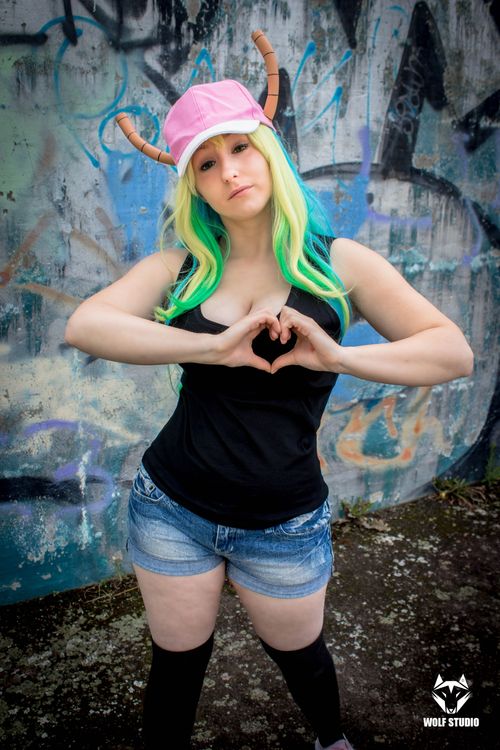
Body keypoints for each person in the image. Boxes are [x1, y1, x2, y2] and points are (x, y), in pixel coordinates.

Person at [64, 31, 473, 750]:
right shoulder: (182, 268)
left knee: (301, 655)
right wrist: (209, 345)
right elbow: (85, 326)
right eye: (207, 162)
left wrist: (338, 355)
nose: (229, 171)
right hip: (171, 506)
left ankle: (330, 740)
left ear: (269, 151)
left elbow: (452, 353)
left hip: (283, 522)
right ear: (194, 184)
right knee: (177, 665)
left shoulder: (339, 264)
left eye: (240, 148)